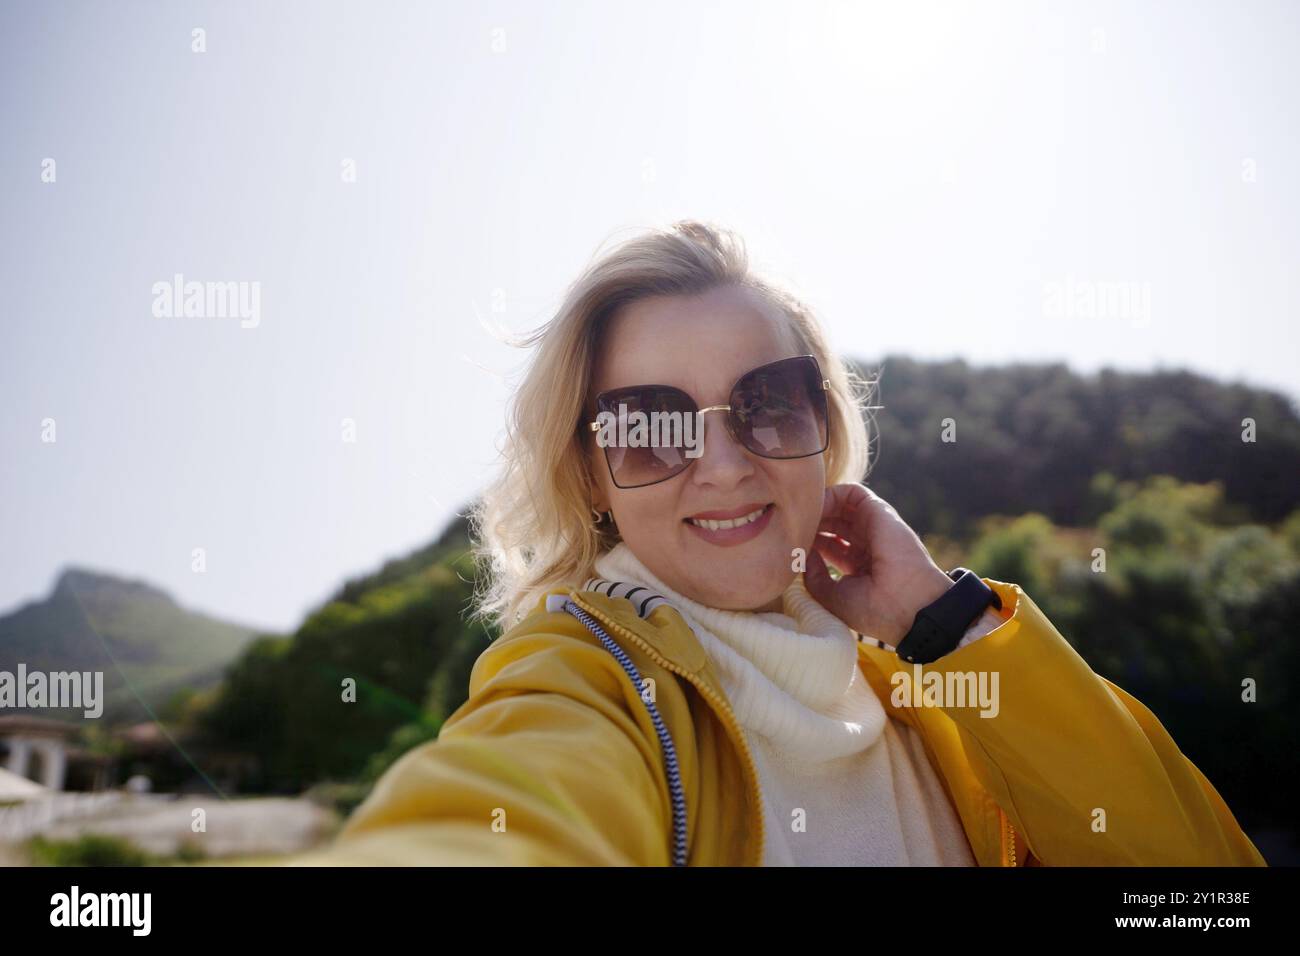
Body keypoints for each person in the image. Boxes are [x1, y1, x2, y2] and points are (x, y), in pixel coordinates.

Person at [300, 220, 1266, 866]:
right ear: (589, 473)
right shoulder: (581, 684)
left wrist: (951, 629)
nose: (721, 465)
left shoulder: (925, 686)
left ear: (823, 426)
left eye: (765, 403)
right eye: (649, 423)